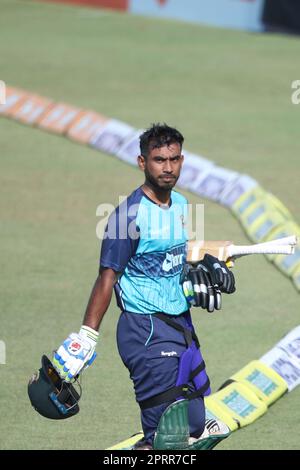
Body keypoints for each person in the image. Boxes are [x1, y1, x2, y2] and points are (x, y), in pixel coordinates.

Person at [52, 123, 235, 449]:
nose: (168, 167)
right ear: (142, 162)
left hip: (181, 328)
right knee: (166, 440)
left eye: (174, 159)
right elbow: (107, 276)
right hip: (146, 332)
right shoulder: (128, 216)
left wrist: (201, 268)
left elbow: (169, 257)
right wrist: (87, 337)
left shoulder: (179, 204)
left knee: (197, 430)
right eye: (159, 160)